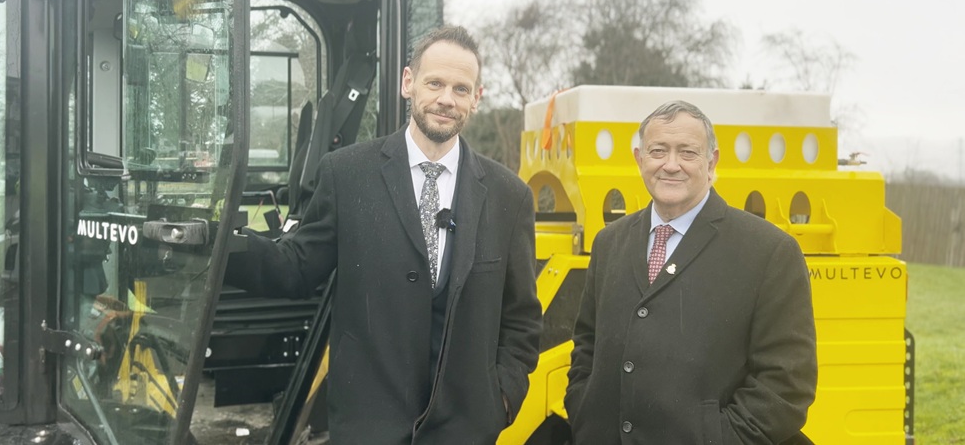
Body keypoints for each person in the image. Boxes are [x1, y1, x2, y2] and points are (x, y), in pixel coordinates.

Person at [225, 25, 542, 444]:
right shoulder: (347, 174)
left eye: (461, 89)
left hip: (466, 432)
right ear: (409, 83)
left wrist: (501, 399)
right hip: (367, 428)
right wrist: (216, 245)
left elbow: (521, 319)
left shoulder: (510, 197)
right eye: (435, 83)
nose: (447, 99)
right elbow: (295, 268)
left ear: (476, 98)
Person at [565, 100, 817, 444]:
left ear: (711, 163)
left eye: (687, 152)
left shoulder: (770, 252)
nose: (671, 165)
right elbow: (586, 345)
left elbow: (787, 384)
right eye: (658, 151)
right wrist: (585, 410)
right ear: (640, 159)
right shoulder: (610, 242)